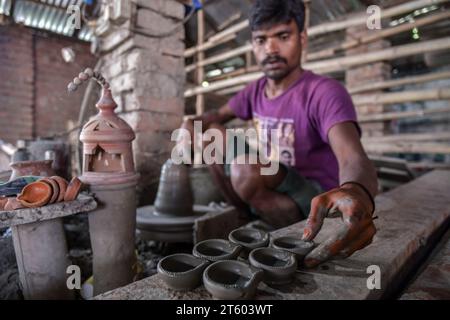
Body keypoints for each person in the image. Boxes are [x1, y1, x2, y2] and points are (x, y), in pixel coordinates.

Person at [178, 0, 378, 268]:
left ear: (302, 38)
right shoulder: (256, 90)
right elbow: (213, 118)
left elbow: (352, 156)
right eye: (261, 40)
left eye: (282, 36)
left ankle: (295, 233)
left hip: (315, 200)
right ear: (253, 44)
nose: (270, 49)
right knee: (212, 134)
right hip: (275, 183)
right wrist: (190, 123)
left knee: (245, 168)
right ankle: (244, 220)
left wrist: (357, 192)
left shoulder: (324, 92)